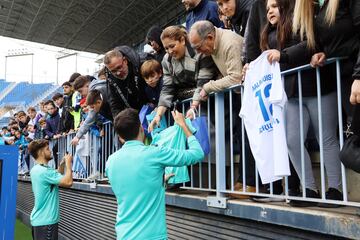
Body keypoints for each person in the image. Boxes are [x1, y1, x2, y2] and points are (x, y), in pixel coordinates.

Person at [106, 108, 204, 239]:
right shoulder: (155, 153)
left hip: (124, 235)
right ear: (141, 128)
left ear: (120, 138)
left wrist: (158, 178)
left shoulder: (110, 161)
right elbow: (197, 154)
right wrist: (183, 126)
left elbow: (131, 186)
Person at [292, 0, 360, 113]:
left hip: (354, 73)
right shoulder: (313, 6)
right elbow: (336, 38)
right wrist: (326, 52)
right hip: (343, 78)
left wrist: (358, 77)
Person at [148, 25, 217, 132]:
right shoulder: (166, 60)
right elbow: (167, 89)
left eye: (172, 46)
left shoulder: (199, 50)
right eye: (166, 48)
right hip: (191, 104)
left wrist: (193, 107)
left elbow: (203, 82)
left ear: (182, 40)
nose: (169, 51)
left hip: (211, 100)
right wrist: (158, 115)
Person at [28, 139, 73, 240]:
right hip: (46, 222)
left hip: (39, 221)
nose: (50, 151)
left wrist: (61, 164)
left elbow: (55, 176)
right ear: (41, 152)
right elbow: (68, 182)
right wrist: (69, 165)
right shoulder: (45, 172)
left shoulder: (37, 169)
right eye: (47, 149)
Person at [104, 46, 148, 118]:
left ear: (125, 61)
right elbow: (114, 103)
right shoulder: (110, 79)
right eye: (113, 71)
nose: (118, 73)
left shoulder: (142, 64)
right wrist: (119, 122)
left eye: (119, 67)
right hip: (137, 114)